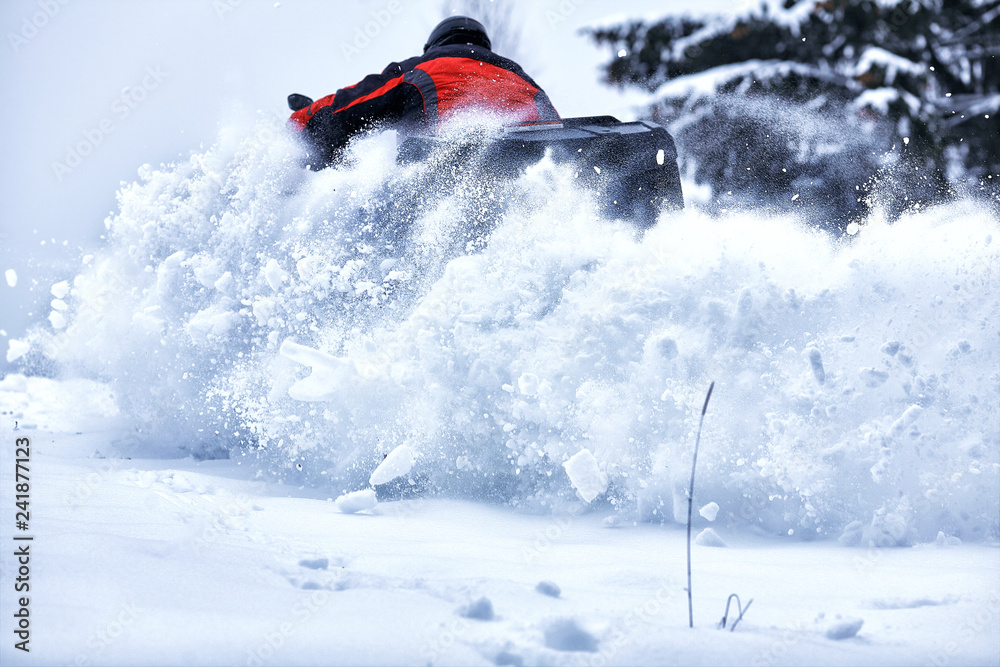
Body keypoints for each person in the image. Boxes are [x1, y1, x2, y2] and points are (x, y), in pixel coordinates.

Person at [288, 16, 560, 167]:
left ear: (434, 45)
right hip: (529, 166)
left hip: (437, 169)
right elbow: (558, 131)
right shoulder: (524, 80)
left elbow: (348, 106)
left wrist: (302, 123)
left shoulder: (419, 68)